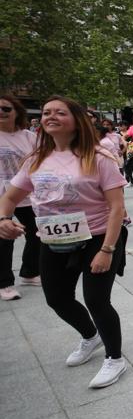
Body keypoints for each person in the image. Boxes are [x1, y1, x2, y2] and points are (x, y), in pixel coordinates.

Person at [0, 96, 128, 388]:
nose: (51, 116)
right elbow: (9, 197)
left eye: (60, 112)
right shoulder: (35, 159)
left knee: (97, 299)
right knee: (56, 298)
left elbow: (117, 207)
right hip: (53, 238)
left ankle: (115, 358)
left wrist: (107, 249)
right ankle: (89, 336)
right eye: (46, 113)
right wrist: (3, 219)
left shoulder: (97, 157)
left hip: (98, 236)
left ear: (76, 119)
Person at [0, 94, 41, 301]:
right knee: (4, 237)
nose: (1, 112)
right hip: (1, 194)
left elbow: (41, 159)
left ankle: (29, 272)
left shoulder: (29, 136)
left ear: (16, 112)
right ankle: (4, 282)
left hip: (25, 192)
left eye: (6, 109)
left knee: (37, 233)